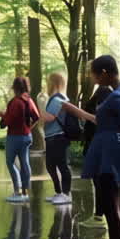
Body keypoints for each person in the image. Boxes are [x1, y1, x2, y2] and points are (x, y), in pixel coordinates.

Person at [61, 55, 120, 239]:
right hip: (112, 152)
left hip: (111, 156)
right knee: (119, 207)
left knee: (111, 207)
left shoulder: (116, 98)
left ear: (105, 72)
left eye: (94, 73)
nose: (92, 77)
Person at [0, 77, 39, 203]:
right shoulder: (29, 100)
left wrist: (2, 115)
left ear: (15, 88)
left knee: (10, 162)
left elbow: (9, 120)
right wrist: (29, 128)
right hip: (27, 136)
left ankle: (18, 190)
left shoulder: (15, 102)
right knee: (25, 163)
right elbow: (36, 117)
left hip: (14, 136)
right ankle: (25, 191)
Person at [79, 83, 113, 228]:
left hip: (96, 147)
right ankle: (101, 215)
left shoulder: (99, 105)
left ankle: (100, 217)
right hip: (99, 146)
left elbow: (94, 122)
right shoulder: (108, 105)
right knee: (100, 182)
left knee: (99, 182)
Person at [41, 71, 74, 205]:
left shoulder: (57, 99)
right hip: (51, 137)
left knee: (62, 165)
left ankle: (66, 194)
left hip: (58, 137)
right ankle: (59, 192)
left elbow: (49, 117)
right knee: (50, 165)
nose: (47, 85)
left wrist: (40, 106)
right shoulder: (54, 98)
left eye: (48, 82)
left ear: (53, 83)